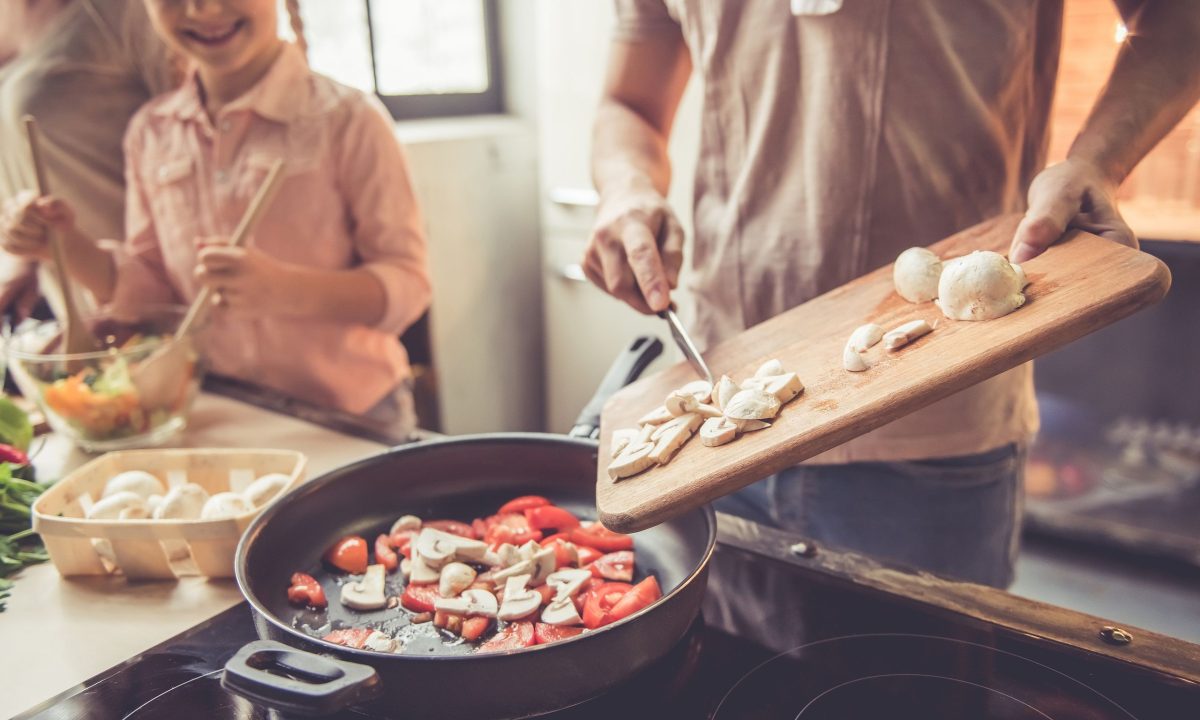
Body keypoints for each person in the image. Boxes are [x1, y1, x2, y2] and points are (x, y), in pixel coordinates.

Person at [586, 1, 1200, 588]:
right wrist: (624, 187)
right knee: (735, 680)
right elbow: (628, 102)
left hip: (937, 419)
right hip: (722, 391)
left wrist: (1099, 162)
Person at [0, 0, 432, 434]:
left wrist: (283, 289)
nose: (201, 8)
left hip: (352, 412)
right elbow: (152, 290)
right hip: (222, 410)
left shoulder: (350, 120)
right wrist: (63, 245)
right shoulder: (149, 133)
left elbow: (407, 284)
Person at [0, 0, 174, 322]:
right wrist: (21, 256)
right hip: (81, 321)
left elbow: (203, 136)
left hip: (159, 305)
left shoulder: (125, 11)